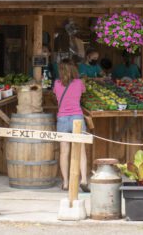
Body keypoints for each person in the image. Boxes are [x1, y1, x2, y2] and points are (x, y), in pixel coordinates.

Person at [53, 60, 89, 192]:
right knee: (81, 150)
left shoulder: (56, 84)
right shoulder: (79, 83)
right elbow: (83, 93)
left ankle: (66, 183)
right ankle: (84, 179)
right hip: (77, 118)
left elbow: (56, 95)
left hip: (62, 118)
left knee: (64, 152)